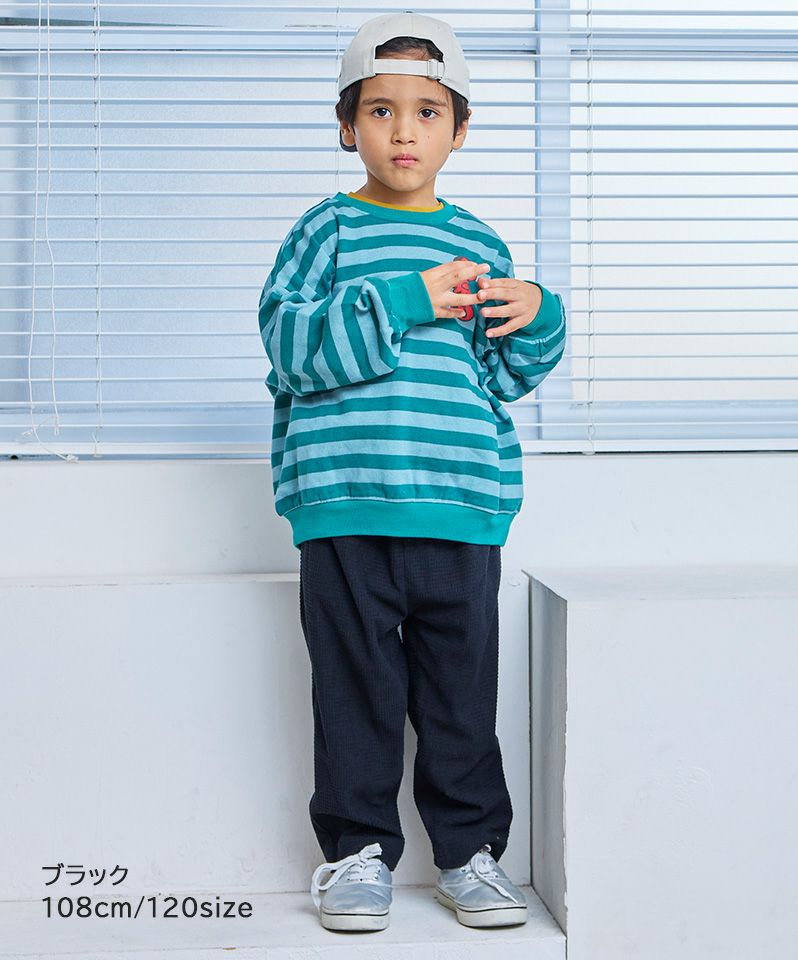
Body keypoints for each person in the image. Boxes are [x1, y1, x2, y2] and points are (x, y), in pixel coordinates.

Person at [257, 11, 566, 934]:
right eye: (380, 111)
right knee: (354, 690)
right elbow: (289, 348)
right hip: (345, 507)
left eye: (427, 113)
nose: (403, 132)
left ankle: (470, 856)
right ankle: (357, 853)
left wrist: (541, 312)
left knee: (461, 697)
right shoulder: (325, 231)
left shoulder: (481, 246)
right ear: (346, 125)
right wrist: (403, 298)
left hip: (460, 505)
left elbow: (503, 375)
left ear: (458, 130)